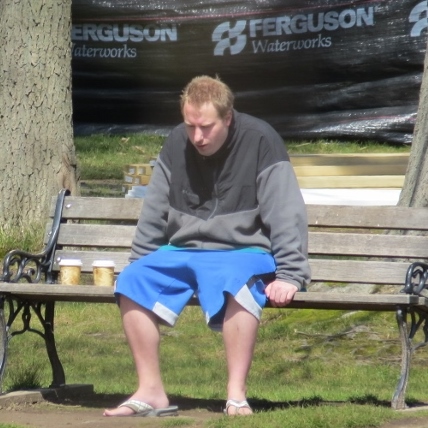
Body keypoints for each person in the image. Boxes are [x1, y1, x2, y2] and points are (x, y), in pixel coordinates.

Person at [104, 75, 311, 417]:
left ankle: (235, 394)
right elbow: (154, 209)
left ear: (228, 118)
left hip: (243, 252)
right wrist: (139, 261)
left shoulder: (261, 140)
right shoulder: (176, 142)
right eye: (190, 126)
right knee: (131, 280)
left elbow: (286, 212)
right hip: (183, 251)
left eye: (206, 127)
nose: (197, 136)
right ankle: (150, 390)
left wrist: (290, 275)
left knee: (238, 284)